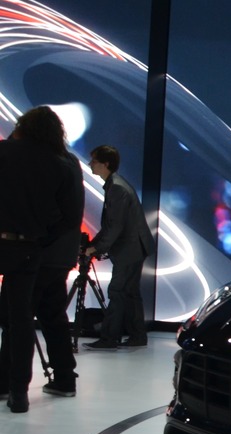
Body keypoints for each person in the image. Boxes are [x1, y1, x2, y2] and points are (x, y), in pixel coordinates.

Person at [0, 106, 78, 412]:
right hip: (29, 248)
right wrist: (41, 234)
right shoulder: (60, 163)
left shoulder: (4, 151)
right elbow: (70, 216)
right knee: (21, 322)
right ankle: (19, 393)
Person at [83, 145, 156, 350]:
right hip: (134, 247)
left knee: (117, 291)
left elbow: (115, 226)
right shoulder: (115, 185)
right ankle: (136, 336)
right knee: (129, 292)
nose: (90, 164)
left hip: (130, 248)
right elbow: (112, 225)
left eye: (94, 161)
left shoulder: (116, 188)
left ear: (105, 164)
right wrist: (95, 245)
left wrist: (95, 249)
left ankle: (109, 338)